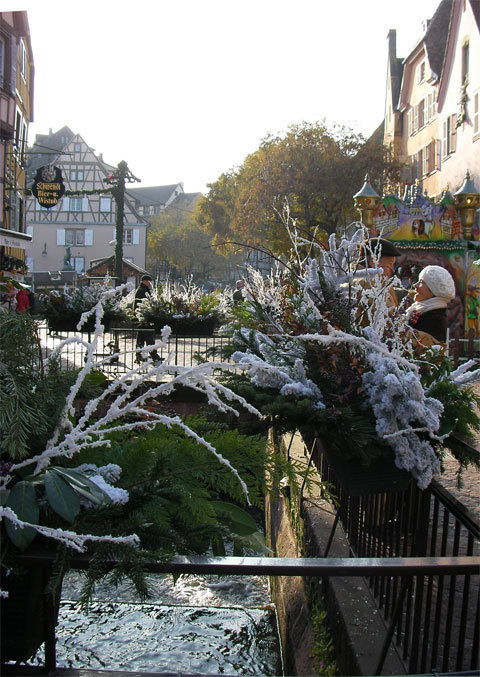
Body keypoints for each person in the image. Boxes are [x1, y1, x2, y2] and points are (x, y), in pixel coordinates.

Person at [405, 265, 455, 343]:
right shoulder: (425, 311)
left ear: (434, 290)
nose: (415, 285)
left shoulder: (434, 318)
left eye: (421, 282)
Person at [134, 275, 161, 364]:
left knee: (141, 338)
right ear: (144, 281)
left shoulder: (141, 289)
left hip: (141, 317)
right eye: (149, 281)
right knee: (149, 337)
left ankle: (139, 355)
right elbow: (146, 303)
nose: (150, 283)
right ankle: (154, 356)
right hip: (145, 317)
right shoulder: (143, 291)